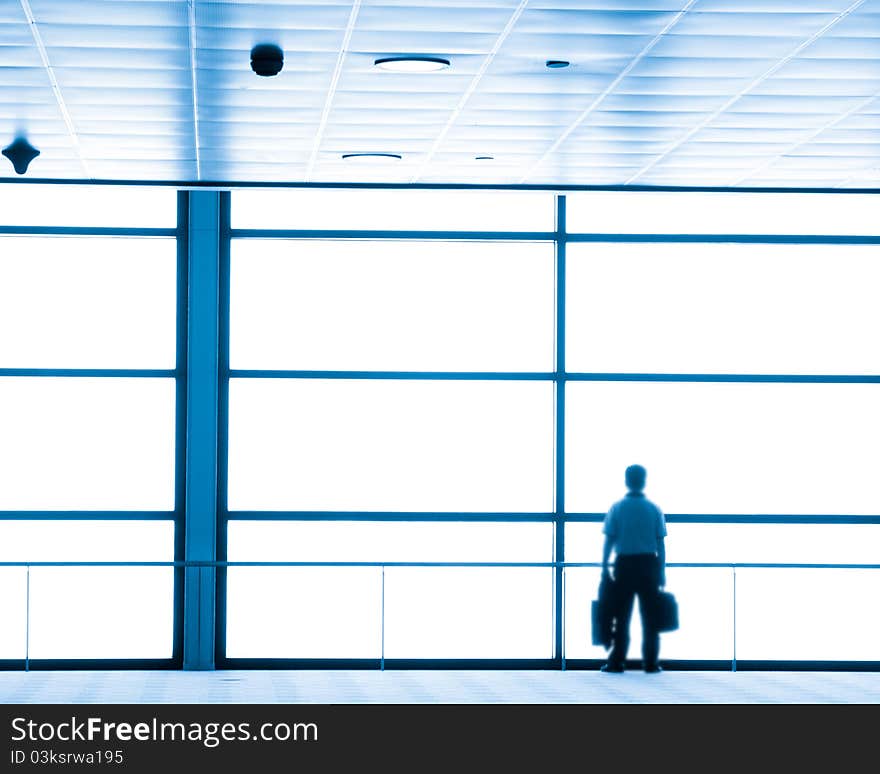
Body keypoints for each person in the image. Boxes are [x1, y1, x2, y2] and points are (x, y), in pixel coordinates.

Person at [600, 464, 667, 674]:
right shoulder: (654, 508)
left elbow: (609, 540)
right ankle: (651, 663)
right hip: (648, 564)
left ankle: (617, 661)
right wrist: (661, 570)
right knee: (650, 617)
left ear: (627, 480)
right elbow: (660, 543)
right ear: (644, 480)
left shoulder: (617, 507)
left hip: (625, 565)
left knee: (622, 615)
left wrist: (604, 566)